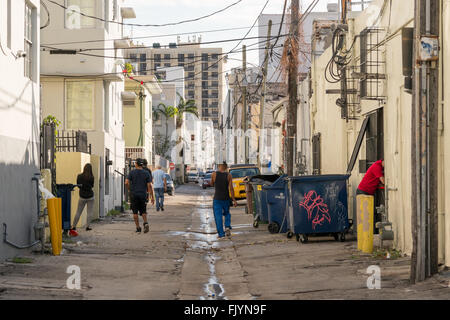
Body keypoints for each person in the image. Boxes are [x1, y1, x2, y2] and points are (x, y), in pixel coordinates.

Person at [125, 158, 154, 233]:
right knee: (143, 211)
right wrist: (152, 197)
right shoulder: (146, 173)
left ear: (136, 164)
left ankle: (138, 228)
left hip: (134, 194)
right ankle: (145, 223)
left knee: (135, 212)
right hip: (143, 194)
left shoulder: (132, 172)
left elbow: (126, 182)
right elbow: (149, 186)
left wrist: (129, 189)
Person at [211, 162, 237, 239]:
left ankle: (221, 234)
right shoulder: (229, 175)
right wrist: (234, 199)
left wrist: (213, 181)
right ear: (226, 167)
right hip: (226, 198)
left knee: (218, 216)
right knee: (227, 213)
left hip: (217, 199)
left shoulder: (214, 174)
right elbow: (231, 188)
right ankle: (227, 226)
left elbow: (211, 184)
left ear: (219, 166)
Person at [70, 163, 95, 237]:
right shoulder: (91, 177)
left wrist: (82, 189)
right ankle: (88, 227)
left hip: (82, 196)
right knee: (89, 212)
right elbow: (92, 186)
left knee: (78, 212)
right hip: (90, 196)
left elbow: (78, 185)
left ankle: (74, 226)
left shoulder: (79, 176)